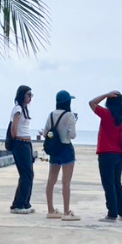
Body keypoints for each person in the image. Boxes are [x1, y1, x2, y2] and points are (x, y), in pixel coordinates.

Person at [89, 91, 122, 223]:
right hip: (120, 155)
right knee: (117, 183)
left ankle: (112, 213)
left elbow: (91, 103)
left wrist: (105, 94)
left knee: (108, 184)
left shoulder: (106, 114)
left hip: (106, 153)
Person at [42, 90, 79, 221]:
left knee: (51, 180)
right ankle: (66, 211)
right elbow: (72, 135)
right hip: (66, 148)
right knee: (66, 182)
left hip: (54, 149)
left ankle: (50, 209)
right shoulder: (70, 116)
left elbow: (45, 132)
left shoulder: (51, 115)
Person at [8, 85, 36, 214]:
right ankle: (19, 204)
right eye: (28, 95)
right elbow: (14, 127)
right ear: (22, 95)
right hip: (20, 143)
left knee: (29, 174)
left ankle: (24, 202)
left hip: (26, 142)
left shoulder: (25, 109)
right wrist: (16, 140)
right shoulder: (18, 109)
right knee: (26, 174)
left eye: (31, 95)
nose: (30, 97)